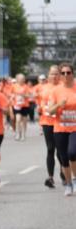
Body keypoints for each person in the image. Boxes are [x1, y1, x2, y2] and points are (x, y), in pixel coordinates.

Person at [49, 62, 76, 196]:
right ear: (60, 75)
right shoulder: (56, 91)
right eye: (63, 73)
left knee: (72, 152)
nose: (66, 75)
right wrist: (59, 104)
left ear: (72, 73)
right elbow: (50, 111)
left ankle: (75, 180)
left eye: (68, 72)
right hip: (60, 128)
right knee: (64, 159)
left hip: (74, 128)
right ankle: (69, 184)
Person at [37, 65, 62, 188]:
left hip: (61, 122)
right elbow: (41, 105)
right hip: (47, 122)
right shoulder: (43, 88)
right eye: (52, 74)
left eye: (57, 73)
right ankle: (50, 177)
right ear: (48, 75)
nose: (54, 76)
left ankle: (64, 171)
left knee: (61, 151)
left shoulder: (63, 87)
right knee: (50, 149)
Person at [11, 73, 30, 140]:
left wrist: (23, 95)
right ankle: (18, 134)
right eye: (20, 79)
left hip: (25, 105)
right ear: (17, 79)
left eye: (23, 79)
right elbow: (11, 94)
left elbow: (29, 96)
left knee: (24, 121)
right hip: (17, 105)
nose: (22, 80)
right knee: (18, 120)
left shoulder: (26, 86)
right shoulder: (14, 86)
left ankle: (24, 134)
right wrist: (12, 97)